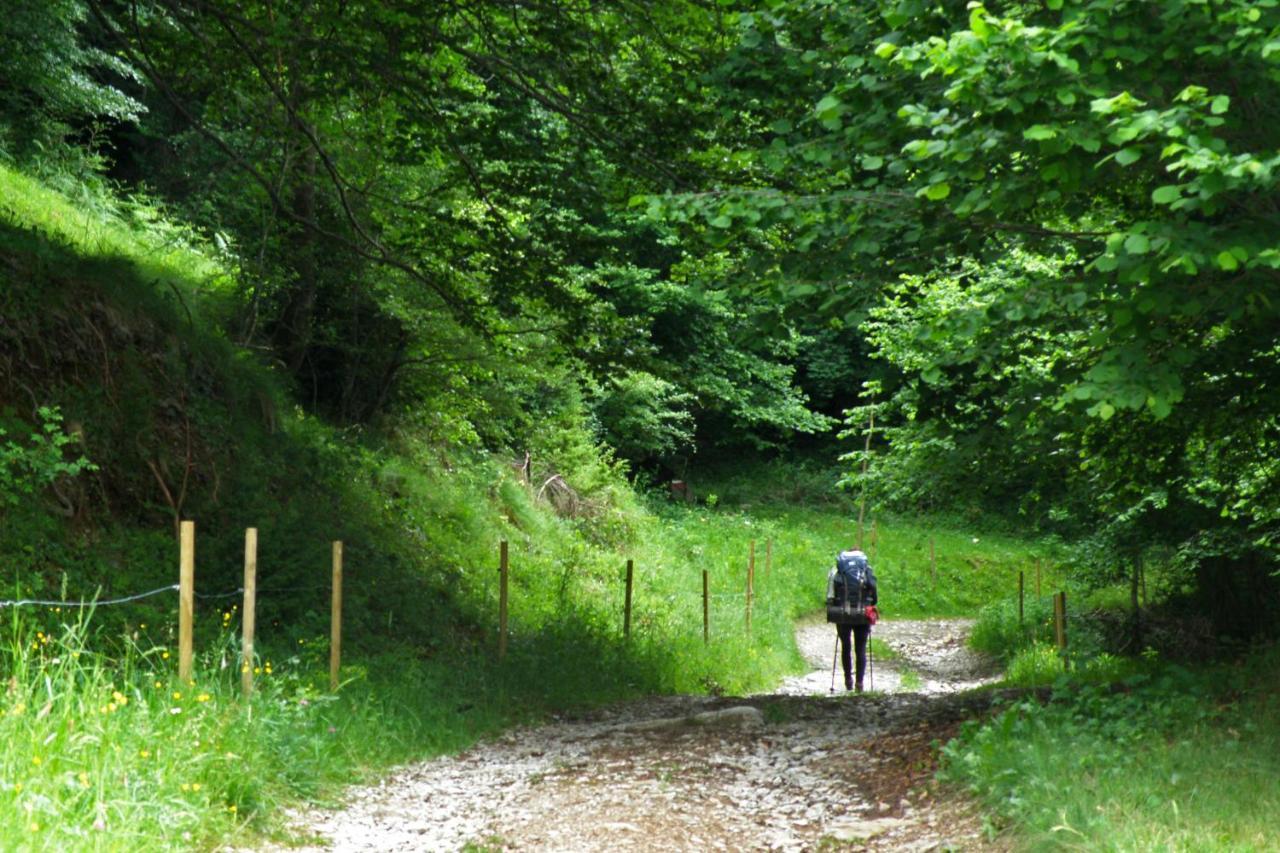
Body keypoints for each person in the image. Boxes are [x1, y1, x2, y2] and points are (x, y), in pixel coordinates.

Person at [828, 548, 878, 692]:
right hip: (862, 612)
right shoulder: (867, 569)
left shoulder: (837, 571)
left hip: (843, 612)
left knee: (846, 646)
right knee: (860, 648)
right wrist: (871, 603)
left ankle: (848, 680)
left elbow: (830, 596)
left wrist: (833, 605)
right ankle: (860, 683)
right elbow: (874, 592)